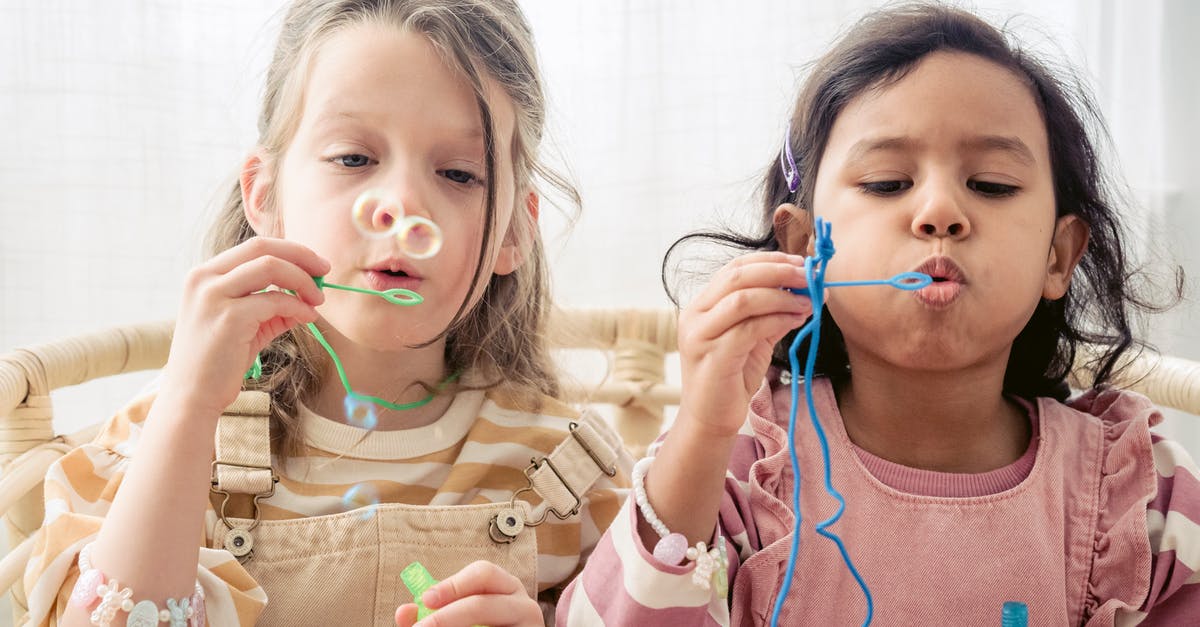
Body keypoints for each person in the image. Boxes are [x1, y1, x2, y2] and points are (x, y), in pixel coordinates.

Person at [558, 4, 1199, 625]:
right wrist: (701, 429)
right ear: (804, 248)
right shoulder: (736, 463)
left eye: (993, 184)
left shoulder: (1139, 495)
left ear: (1058, 257)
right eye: (887, 182)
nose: (940, 211)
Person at [22, 1, 631, 625]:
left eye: (458, 173)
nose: (401, 204)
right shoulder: (168, 438)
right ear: (265, 195)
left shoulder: (573, 475)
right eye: (353, 159)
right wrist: (187, 407)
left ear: (515, 231)